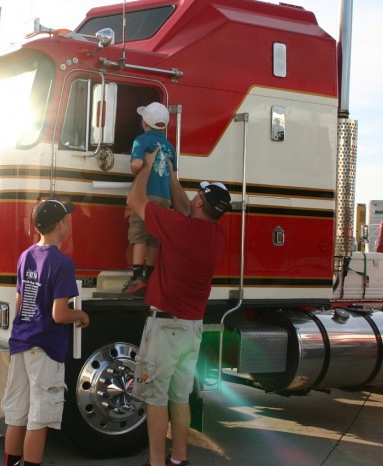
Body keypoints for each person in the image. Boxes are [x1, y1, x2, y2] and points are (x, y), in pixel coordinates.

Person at [127, 148, 231, 466]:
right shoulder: (215, 236)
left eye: (197, 195)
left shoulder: (178, 229)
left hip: (163, 329)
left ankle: (156, 462)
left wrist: (146, 166)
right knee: (180, 398)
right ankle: (179, 459)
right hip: (191, 329)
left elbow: (135, 200)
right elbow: (188, 207)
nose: (193, 198)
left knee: (154, 400)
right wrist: (170, 172)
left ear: (200, 202)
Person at [2, 198, 90, 466]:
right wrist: (81, 315)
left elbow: (20, 304)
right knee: (39, 417)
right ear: (61, 224)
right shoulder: (62, 263)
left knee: (17, 415)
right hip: (45, 348)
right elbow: (59, 314)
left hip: (20, 342)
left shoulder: (25, 256)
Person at [122, 102, 178, 295]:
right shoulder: (170, 146)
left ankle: (137, 275)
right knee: (155, 238)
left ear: (145, 122)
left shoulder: (141, 140)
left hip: (145, 195)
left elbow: (137, 164)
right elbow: (173, 174)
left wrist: (136, 166)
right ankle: (150, 275)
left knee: (139, 233)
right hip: (165, 197)